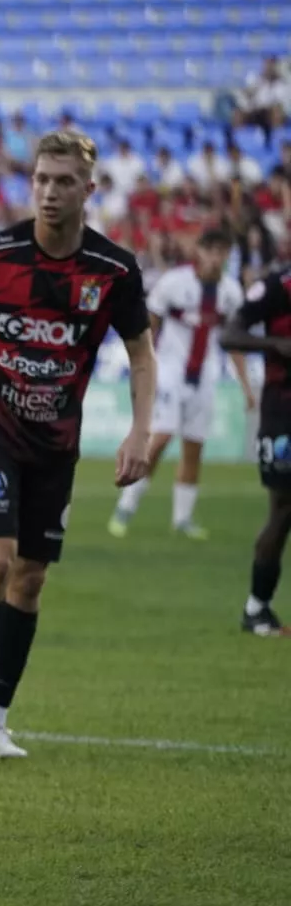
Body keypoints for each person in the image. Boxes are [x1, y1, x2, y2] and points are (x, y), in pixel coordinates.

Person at [0, 130, 157, 759]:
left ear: (88, 190)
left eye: (64, 182)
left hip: (55, 443)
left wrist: (140, 430)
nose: (50, 192)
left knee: (30, 580)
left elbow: (140, 352)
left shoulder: (114, 271)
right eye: (42, 179)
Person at [108, 229, 252, 540]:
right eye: (211, 249)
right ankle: (126, 506)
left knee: (194, 448)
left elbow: (236, 342)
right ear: (199, 251)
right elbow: (150, 326)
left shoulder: (230, 292)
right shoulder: (174, 283)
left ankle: (182, 518)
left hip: (206, 376)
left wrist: (247, 387)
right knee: (159, 440)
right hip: (171, 372)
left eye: (222, 250)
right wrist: (144, 368)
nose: (216, 257)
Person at [219, 264, 291, 636]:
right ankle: (256, 607)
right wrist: (275, 345)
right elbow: (229, 334)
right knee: (283, 509)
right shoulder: (278, 286)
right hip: (283, 414)